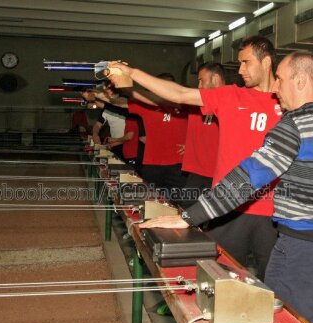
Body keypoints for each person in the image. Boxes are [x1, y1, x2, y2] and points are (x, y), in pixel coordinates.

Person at [140, 51, 313, 323]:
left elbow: (245, 181)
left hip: (302, 250)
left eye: (281, 81)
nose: (275, 89)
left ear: (299, 81)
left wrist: (187, 217)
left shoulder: (292, 126)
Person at [108, 36, 281, 279]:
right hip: (229, 208)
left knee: (278, 292)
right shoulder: (231, 96)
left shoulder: (290, 102)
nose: (240, 70)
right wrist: (133, 73)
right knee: (217, 282)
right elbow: (179, 94)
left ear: (266, 62)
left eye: (246, 62)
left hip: (276, 213)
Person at [179, 62, 225, 207]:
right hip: (196, 172)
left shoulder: (234, 101)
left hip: (221, 174)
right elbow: (166, 98)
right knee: (186, 212)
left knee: (215, 220)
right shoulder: (196, 101)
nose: (199, 86)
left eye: (201, 81)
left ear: (215, 79)